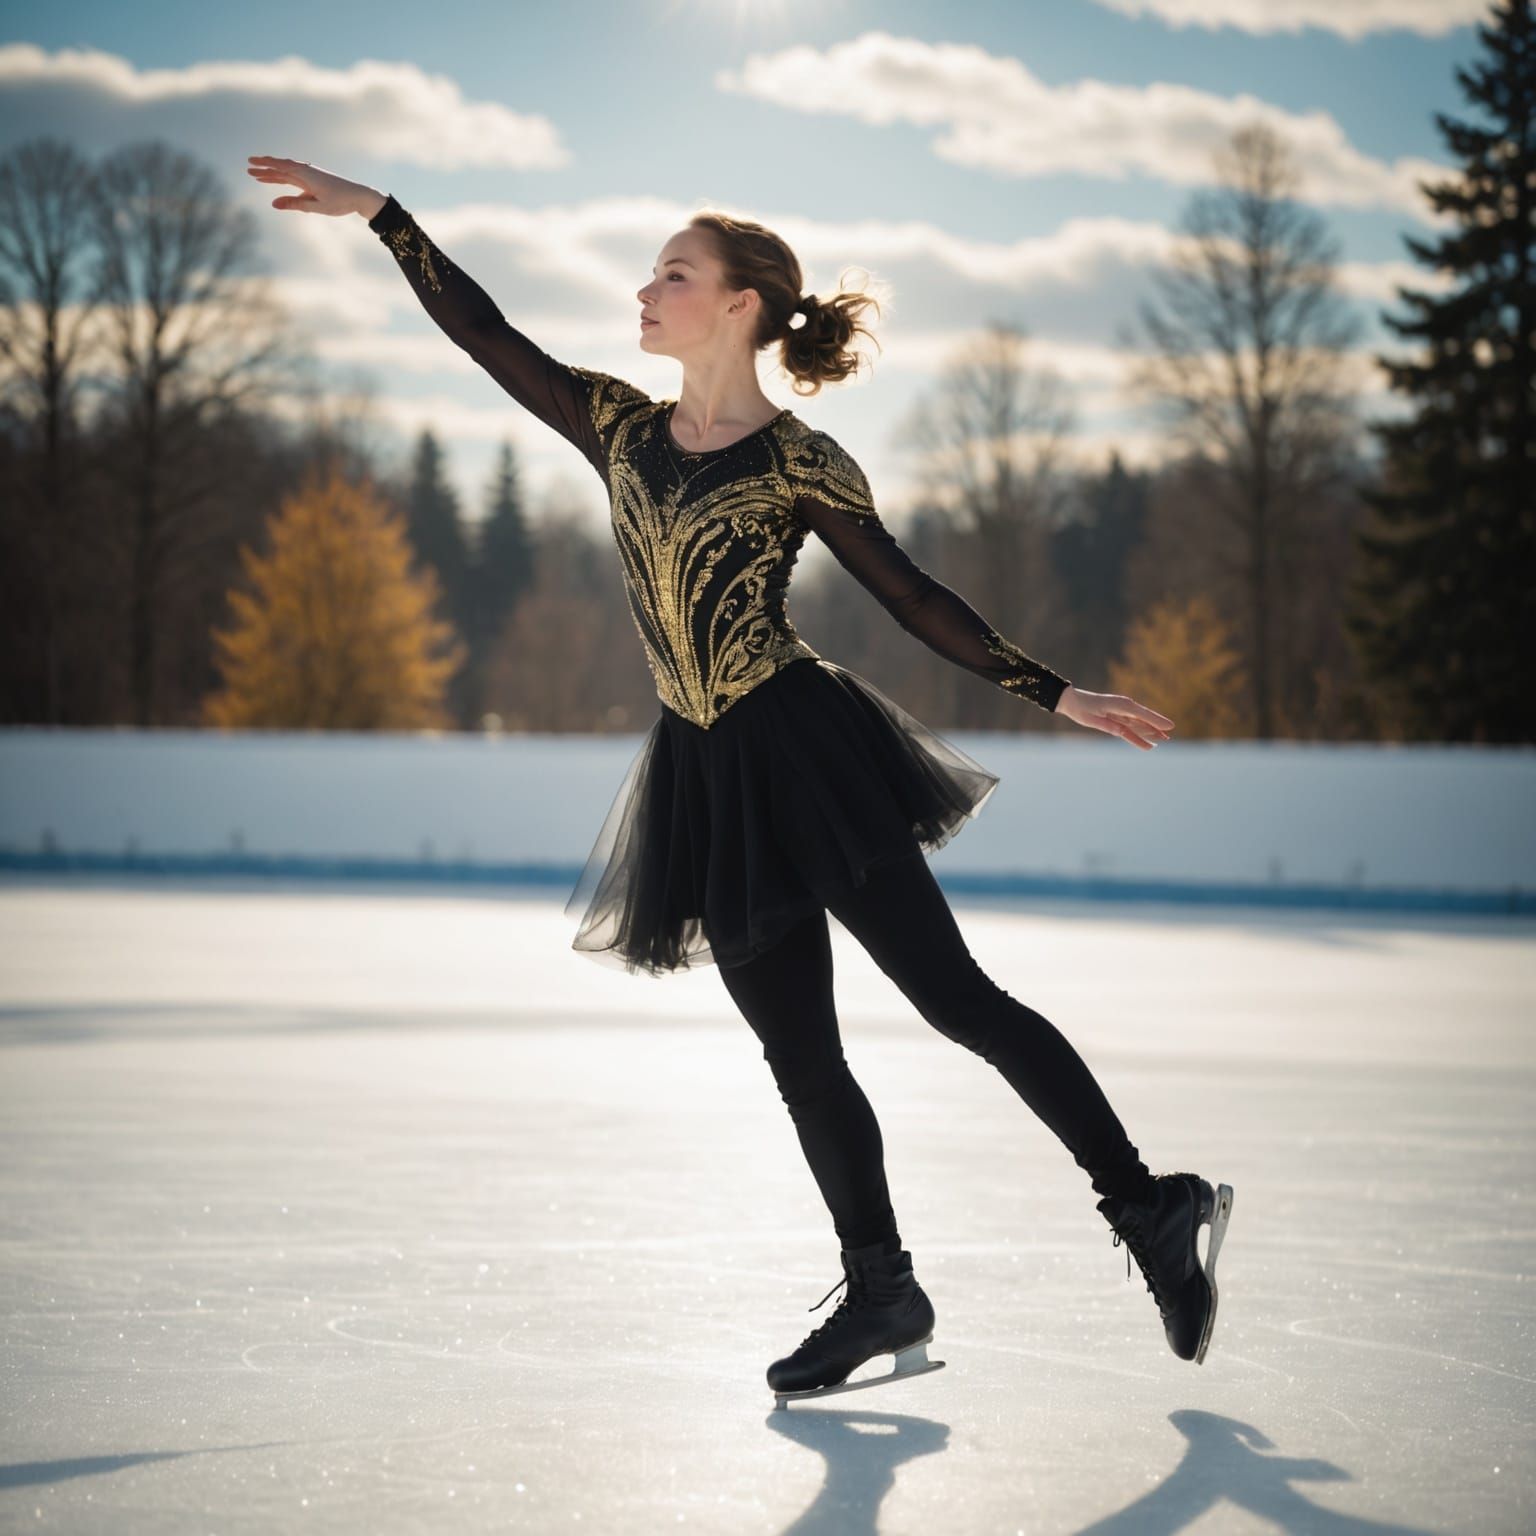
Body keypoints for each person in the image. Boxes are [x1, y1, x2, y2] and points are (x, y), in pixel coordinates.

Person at [245, 155, 1234, 1400]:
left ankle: (1148, 1205)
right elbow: (486, 335)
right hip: (704, 776)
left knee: (958, 1003)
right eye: (652, 273)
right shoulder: (617, 426)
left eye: (674, 274)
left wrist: (1057, 691)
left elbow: (913, 596)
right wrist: (386, 218)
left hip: (807, 753)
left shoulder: (800, 460)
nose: (645, 291)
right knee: (801, 1059)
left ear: (740, 305)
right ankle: (882, 1289)